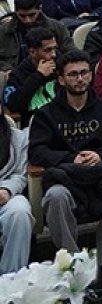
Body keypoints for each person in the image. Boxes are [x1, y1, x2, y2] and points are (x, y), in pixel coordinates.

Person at [28, 49, 102, 252]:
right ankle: (71, 259)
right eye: (73, 74)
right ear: (61, 80)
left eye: (84, 73)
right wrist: (72, 158)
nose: (80, 79)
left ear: (91, 75)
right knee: (55, 197)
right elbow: (37, 152)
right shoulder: (45, 114)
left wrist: (100, 154)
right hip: (66, 177)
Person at [0, 0, 72, 73]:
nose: (27, 20)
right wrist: (7, 69)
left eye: (32, 15)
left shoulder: (57, 27)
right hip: (16, 76)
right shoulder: (3, 31)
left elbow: (70, 53)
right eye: (22, 16)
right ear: (16, 12)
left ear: (40, 9)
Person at [3, 27, 60, 125]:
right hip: (35, 126)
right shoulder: (18, 74)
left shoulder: (61, 65)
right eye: (47, 50)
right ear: (32, 52)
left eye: (55, 48)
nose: (53, 54)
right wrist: (38, 76)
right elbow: (13, 105)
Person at [0, 112, 32, 274]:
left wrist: (6, 190)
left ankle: (12, 278)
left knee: (20, 211)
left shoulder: (18, 138)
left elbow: (20, 174)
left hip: (5, 193)